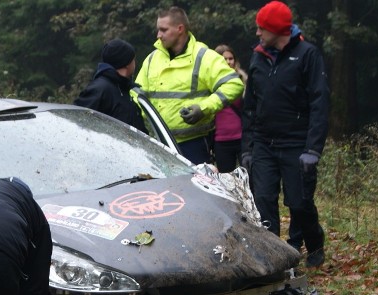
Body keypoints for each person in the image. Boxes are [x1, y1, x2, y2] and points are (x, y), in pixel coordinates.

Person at [241, 1, 330, 268]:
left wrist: (313, 149)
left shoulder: (307, 55)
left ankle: (314, 243)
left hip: (297, 144)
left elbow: (319, 102)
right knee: (264, 200)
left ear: (277, 29)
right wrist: (248, 147)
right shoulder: (258, 56)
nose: (258, 33)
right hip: (264, 144)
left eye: (261, 28)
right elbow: (250, 106)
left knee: (300, 203)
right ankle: (273, 257)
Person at [135, 6, 244, 164]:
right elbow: (137, 93)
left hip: (195, 144)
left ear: (180, 29)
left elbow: (234, 84)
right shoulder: (152, 59)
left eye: (163, 30)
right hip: (159, 143)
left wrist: (204, 108)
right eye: (158, 30)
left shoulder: (204, 56)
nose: (158, 35)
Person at [74, 38, 147, 133]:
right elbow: (77, 121)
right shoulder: (100, 89)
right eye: (133, 59)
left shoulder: (123, 89)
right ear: (127, 63)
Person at [212, 44, 245, 172]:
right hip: (221, 140)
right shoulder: (209, 83)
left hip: (242, 139)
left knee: (250, 177)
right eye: (224, 59)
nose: (228, 62)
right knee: (226, 179)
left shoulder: (243, 80)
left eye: (231, 58)